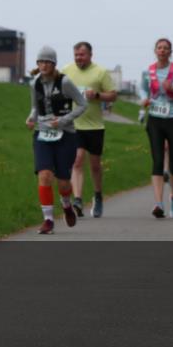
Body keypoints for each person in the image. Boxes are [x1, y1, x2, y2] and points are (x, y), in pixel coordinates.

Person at [26, 46, 88, 234]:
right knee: (45, 175)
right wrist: (31, 118)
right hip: (42, 134)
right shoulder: (34, 83)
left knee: (63, 182)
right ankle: (48, 220)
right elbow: (35, 107)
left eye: (47, 62)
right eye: (40, 62)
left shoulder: (65, 82)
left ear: (54, 64)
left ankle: (67, 205)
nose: (43, 65)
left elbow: (83, 104)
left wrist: (62, 120)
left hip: (65, 135)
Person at [139, 38, 173, 219]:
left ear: (170, 52)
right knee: (157, 159)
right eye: (159, 48)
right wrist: (144, 99)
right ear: (155, 50)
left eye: (165, 48)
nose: (162, 51)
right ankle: (158, 203)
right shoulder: (148, 71)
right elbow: (142, 89)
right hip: (155, 118)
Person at [61, 41, 117, 218]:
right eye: (76, 55)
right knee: (77, 161)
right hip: (74, 124)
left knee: (94, 166)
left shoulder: (100, 72)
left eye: (82, 55)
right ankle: (77, 200)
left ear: (90, 55)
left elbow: (113, 95)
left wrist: (98, 95)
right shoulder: (66, 71)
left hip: (94, 126)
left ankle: (98, 195)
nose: (79, 58)